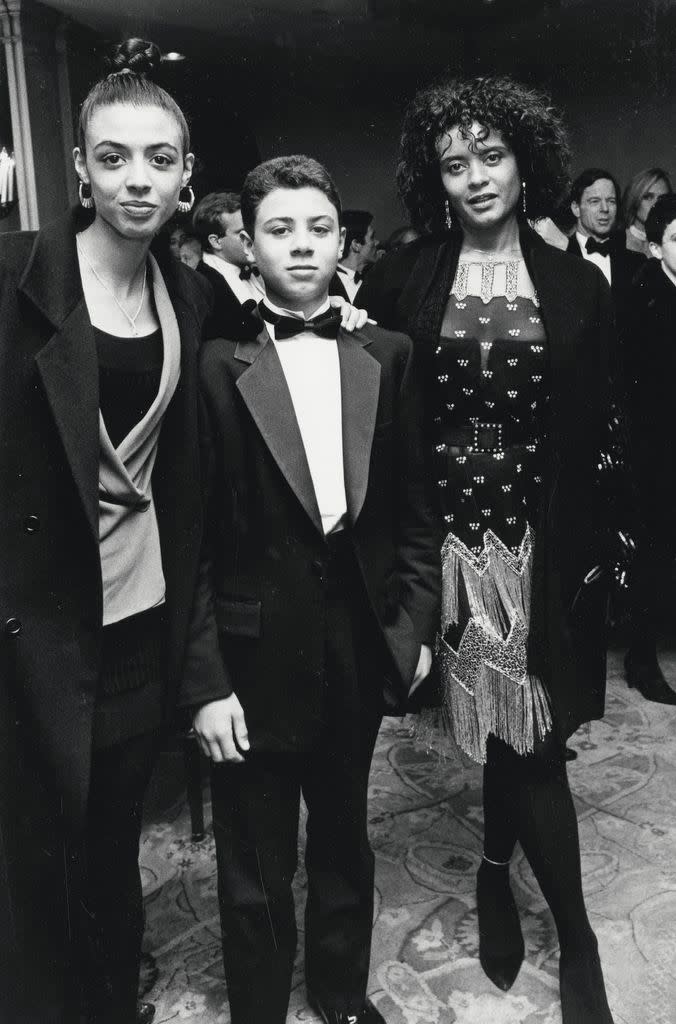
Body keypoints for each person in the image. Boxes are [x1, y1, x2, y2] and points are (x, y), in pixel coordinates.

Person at [360, 76, 615, 1023]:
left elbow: (600, 428)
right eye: (453, 163)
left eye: (492, 156)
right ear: (436, 178)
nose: (474, 177)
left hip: (541, 548)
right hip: (448, 550)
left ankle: (563, 928)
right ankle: (503, 875)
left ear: (526, 161)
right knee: (507, 732)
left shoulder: (579, 285)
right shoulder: (404, 274)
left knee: (532, 739)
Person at [0, 38, 232, 1024]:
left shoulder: (190, 295)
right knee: (28, 860)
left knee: (108, 846)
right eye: (113, 157)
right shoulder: (15, 280)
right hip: (30, 632)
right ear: (81, 171)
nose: (137, 178)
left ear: (187, 180)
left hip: (139, 624)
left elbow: (193, 485)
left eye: (160, 160)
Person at [189, 155, 440, 1024]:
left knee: (344, 839)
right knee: (256, 859)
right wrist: (207, 681)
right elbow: (195, 546)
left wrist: (405, 635)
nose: (302, 246)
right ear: (248, 247)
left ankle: (339, 995)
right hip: (251, 654)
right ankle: (258, 1006)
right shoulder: (215, 366)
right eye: (279, 229)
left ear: (345, 242)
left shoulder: (388, 353)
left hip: (356, 644)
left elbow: (415, 516)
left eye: (319, 228)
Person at [623, 193, 676, 703]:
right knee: (653, 557)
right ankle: (642, 661)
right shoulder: (641, 296)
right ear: (657, 246)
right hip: (656, 451)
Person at [567, 168, 644, 316]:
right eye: (594, 201)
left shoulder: (636, 263)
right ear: (576, 208)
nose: (605, 209)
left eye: (611, 201)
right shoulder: (558, 255)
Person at [191, 190, 266, 337]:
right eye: (242, 233)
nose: (252, 237)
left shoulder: (258, 268)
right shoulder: (200, 287)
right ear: (216, 241)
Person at [330, 208, 378, 301]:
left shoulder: (375, 280)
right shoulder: (325, 285)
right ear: (356, 245)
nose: (377, 242)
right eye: (372, 237)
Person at [622, 167, 671, 257]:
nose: (655, 204)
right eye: (648, 197)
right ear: (634, 199)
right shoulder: (618, 241)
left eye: (662, 198)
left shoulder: (671, 243)